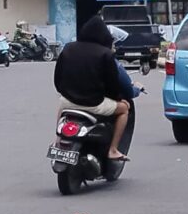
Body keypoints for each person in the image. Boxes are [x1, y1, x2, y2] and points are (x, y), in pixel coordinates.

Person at [52, 12, 137, 159]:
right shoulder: (105, 54)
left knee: (62, 105)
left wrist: (66, 93)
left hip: (69, 101)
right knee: (124, 109)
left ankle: (58, 141)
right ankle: (113, 149)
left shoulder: (68, 48)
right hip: (94, 103)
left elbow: (57, 78)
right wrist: (119, 99)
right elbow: (112, 85)